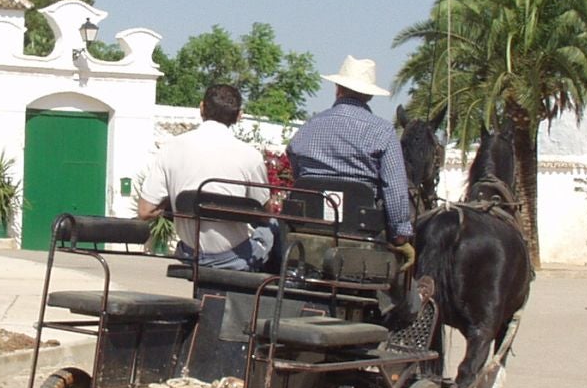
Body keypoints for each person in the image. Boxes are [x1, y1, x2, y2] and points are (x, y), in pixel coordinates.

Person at [287, 55, 415, 257]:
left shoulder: (309, 127)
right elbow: (395, 189)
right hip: (363, 232)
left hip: (307, 228)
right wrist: (400, 234)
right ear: (370, 96)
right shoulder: (383, 131)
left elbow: (298, 174)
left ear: (337, 89)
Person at [137, 83, 275, 271]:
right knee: (273, 226)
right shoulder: (251, 156)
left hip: (189, 253)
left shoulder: (171, 148)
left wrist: (170, 205)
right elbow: (264, 214)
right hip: (233, 257)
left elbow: (145, 211)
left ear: (202, 108)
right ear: (238, 115)